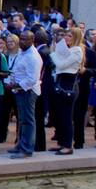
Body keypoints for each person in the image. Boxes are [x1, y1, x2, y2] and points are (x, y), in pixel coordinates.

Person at [49, 26, 84, 155]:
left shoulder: (77, 50)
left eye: (69, 36)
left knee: (67, 117)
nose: (66, 38)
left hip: (68, 86)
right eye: (66, 35)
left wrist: (53, 53)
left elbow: (61, 65)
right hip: (61, 83)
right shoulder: (69, 49)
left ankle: (68, 145)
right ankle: (62, 142)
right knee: (60, 116)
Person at [8, 31, 42, 158]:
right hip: (19, 90)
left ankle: (26, 149)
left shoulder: (33, 56)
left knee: (28, 120)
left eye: (24, 39)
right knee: (22, 120)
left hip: (28, 91)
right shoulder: (22, 52)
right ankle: (21, 145)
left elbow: (32, 79)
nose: (21, 42)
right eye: (21, 39)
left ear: (32, 40)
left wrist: (15, 85)